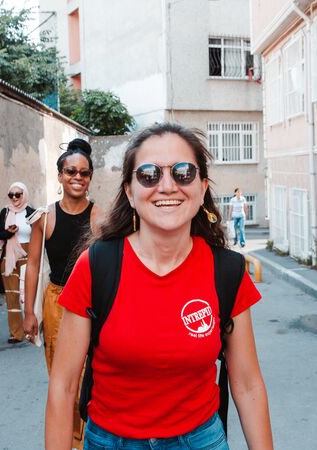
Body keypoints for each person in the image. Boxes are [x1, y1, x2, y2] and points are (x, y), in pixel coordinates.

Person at [45, 123, 273, 450]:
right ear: (129, 192)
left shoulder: (227, 271)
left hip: (201, 441)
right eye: (149, 175)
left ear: (202, 186)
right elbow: (63, 385)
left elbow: (248, 385)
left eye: (183, 172)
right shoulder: (96, 267)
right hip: (111, 442)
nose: (167, 186)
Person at [24, 138, 102, 449]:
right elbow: (32, 265)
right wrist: (29, 312)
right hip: (57, 303)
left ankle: (87, 438)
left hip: (92, 305)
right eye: (71, 171)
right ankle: (68, 440)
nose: (77, 178)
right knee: (63, 379)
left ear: (90, 177)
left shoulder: (100, 217)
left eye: (84, 173)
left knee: (91, 378)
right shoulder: (45, 218)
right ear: (60, 175)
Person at [0, 182, 35, 344]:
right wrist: (9, 232)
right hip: (10, 256)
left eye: (18, 194)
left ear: (24, 194)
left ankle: (32, 330)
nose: (14, 198)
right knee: (12, 295)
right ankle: (16, 333)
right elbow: (0, 234)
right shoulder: (5, 212)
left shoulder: (32, 213)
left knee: (28, 295)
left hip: (27, 254)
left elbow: (38, 236)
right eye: (11, 195)